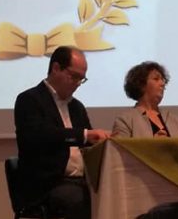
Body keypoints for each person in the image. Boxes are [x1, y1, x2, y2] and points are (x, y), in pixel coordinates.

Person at [14, 46, 111, 219]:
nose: (77, 83)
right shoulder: (29, 100)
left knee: (111, 193)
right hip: (46, 185)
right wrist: (85, 135)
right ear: (56, 68)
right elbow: (41, 135)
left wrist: (105, 142)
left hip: (80, 181)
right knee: (79, 199)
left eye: (81, 79)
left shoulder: (77, 107)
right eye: (74, 76)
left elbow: (88, 145)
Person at [112, 61, 178, 137]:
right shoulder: (125, 120)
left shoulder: (173, 119)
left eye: (163, 80)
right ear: (141, 84)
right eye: (156, 79)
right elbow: (118, 145)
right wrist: (153, 143)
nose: (162, 84)